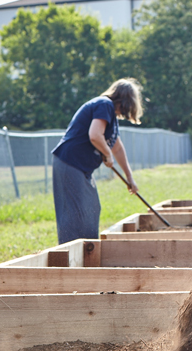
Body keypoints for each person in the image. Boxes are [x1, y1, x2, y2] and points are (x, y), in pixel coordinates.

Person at [52, 78, 142, 244]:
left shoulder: (111, 117)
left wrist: (130, 178)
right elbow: (94, 135)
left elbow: (118, 149)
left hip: (82, 168)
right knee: (76, 213)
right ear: (125, 100)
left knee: (91, 208)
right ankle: (71, 256)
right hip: (70, 162)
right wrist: (107, 153)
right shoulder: (104, 104)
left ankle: (88, 251)